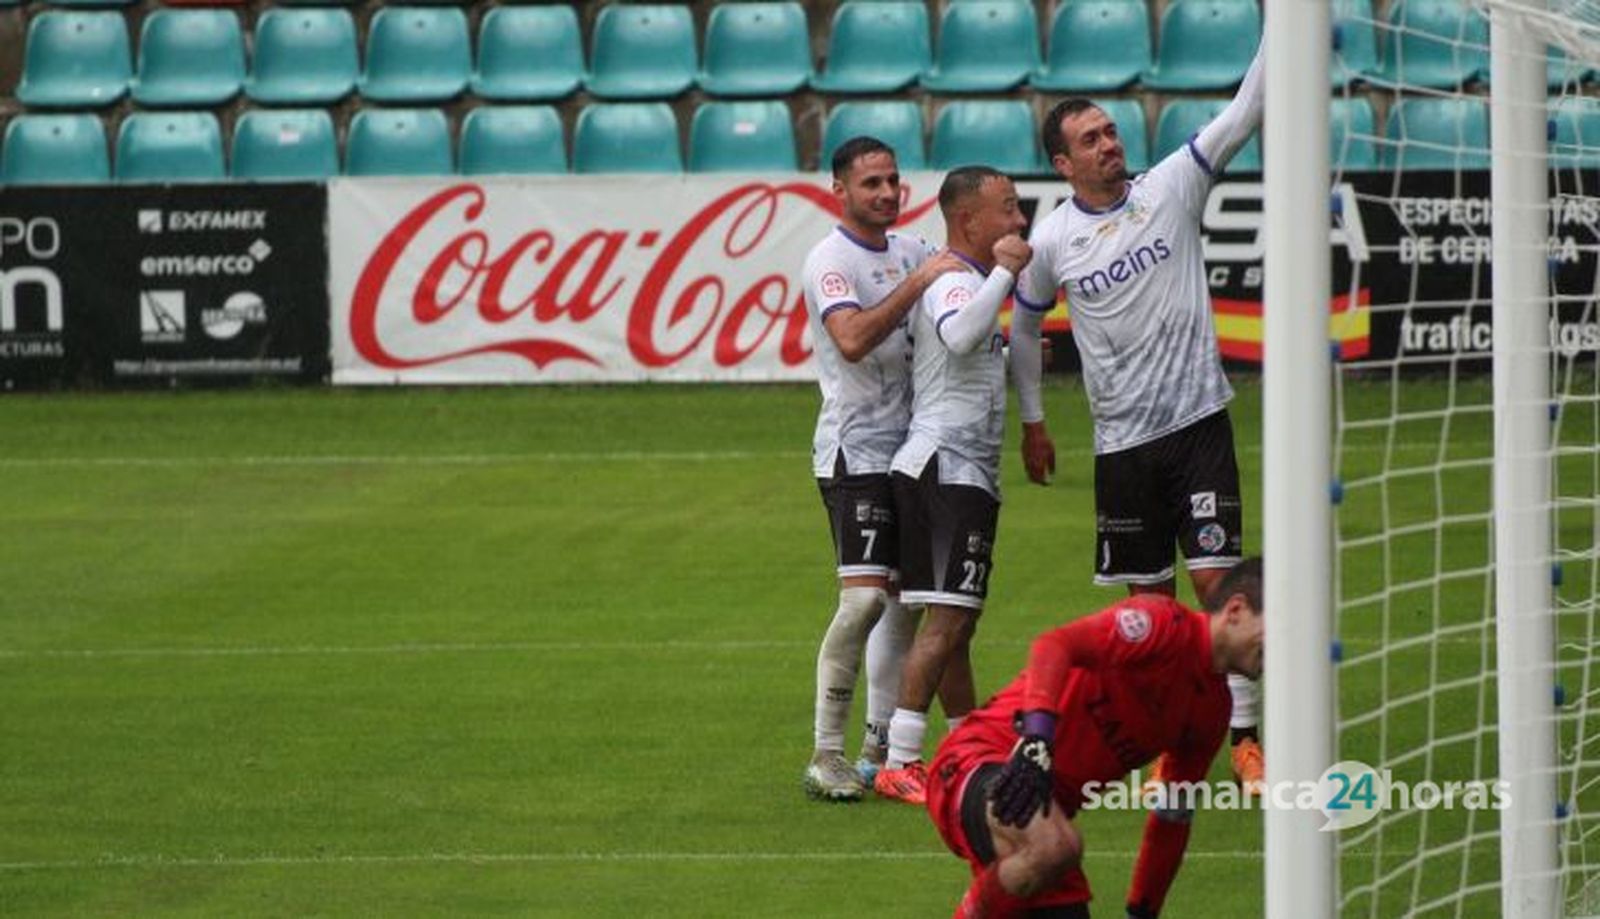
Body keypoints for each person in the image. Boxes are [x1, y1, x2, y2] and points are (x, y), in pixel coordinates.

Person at [1009, 43, 1267, 794]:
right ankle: (1171, 745)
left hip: (1198, 427)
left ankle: (1245, 741)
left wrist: (1285, 23)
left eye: (1111, 131)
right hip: (1122, 449)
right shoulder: (1052, 240)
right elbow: (1024, 329)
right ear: (1063, 164)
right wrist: (1032, 420)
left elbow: (1248, 109)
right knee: (1150, 614)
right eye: (1090, 139)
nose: (1109, 143)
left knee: (1222, 589)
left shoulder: (1173, 184)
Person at [926, 557, 1265, 918]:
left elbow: (1171, 817)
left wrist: (1143, 909)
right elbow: (1055, 645)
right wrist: (1036, 742)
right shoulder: (1162, 625)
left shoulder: (1211, 710)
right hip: (980, 760)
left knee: (1054, 848)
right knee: (1055, 846)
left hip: (1045, 813)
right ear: (1236, 610)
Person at [800, 136, 966, 801]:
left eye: (892, 180)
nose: (886, 192)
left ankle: (876, 747)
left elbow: (953, 302)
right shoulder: (831, 261)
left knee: (903, 604)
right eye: (870, 182)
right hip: (855, 452)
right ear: (840, 189)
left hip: (911, 451)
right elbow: (852, 337)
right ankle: (824, 751)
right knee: (866, 597)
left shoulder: (913, 249)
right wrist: (918, 283)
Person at [872, 166, 1032, 805]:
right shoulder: (951, 281)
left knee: (954, 625)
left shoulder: (965, 282)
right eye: (1010, 209)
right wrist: (1007, 273)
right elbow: (962, 335)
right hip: (946, 469)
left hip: (955, 471)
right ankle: (901, 760)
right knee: (945, 622)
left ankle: (972, 749)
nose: (1019, 221)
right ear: (970, 221)